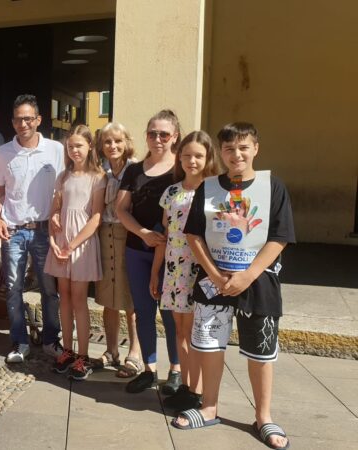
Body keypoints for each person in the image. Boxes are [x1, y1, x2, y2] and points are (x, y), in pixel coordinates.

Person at [172, 123, 293, 450]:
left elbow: (279, 237)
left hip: (258, 282)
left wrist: (247, 275)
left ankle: (264, 416)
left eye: (243, 147)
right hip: (213, 283)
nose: (236, 154)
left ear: (256, 148)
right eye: (228, 149)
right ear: (220, 153)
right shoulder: (208, 188)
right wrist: (213, 273)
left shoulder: (273, 187)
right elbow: (194, 234)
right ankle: (209, 407)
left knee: (261, 352)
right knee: (209, 345)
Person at [150, 131, 220, 412]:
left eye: (199, 156)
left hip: (198, 271)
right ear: (179, 156)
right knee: (178, 330)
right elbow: (166, 235)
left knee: (194, 333)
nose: (192, 160)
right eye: (187, 155)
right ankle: (187, 386)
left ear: (208, 158)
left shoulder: (214, 191)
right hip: (173, 269)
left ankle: (197, 390)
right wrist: (156, 272)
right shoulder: (171, 192)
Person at [115, 109, 182, 394]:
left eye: (164, 134)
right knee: (143, 311)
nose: (157, 138)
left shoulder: (181, 168)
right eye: (152, 133)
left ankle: (176, 370)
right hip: (136, 250)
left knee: (171, 313)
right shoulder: (133, 170)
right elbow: (120, 209)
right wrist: (142, 233)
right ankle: (149, 369)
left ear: (175, 136)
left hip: (173, 254)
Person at [0, 94, 64, 363]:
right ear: (12, 122)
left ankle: (50, 340)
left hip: (45, 230)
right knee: (13, 288)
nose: (23, 124)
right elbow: (0, 192)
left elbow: (63, 188)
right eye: (18, 119)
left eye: (28, 118)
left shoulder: (55, 150)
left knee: (49, 289)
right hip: (13, 229)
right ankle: (19, 341)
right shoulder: (3, 153)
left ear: (38, 120)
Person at [45, 125, 106, 380]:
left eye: (79, 145)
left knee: (80, 300)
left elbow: (96, 217)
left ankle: (83, 354)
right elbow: (55, 211)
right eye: (70, 146)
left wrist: (72, 245)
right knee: (65, 298)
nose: (74, 150)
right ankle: (67, 349)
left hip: (81, 245)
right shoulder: (63, 176)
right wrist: (54, 238)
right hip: (62, 244)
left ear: (90, 146)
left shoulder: (98, 176)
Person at [92, 122, 143, 378]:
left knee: (130, 298)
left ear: (126, 142)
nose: (112, 146)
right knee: (107, 297)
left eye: (117, 141)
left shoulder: (136, 170)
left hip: (128, 235)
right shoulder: (102, 171)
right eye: (107, 142)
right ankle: (111, 350)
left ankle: (135, 353)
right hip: (104, 234)